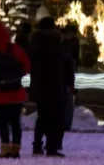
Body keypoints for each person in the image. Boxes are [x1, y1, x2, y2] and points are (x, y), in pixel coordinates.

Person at [0, 21, 30, 159]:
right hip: (16, 92)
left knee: (2, 123)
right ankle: (16, 148)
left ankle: (5, 148)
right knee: (15, 122)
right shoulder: (14, 49)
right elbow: (25, 66)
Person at [29, 17, 75, 157]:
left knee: (42, 116)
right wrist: (70, 84)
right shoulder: (59, 44)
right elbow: (67, 66)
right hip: (56, 86)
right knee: (55, 117)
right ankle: (51, 146)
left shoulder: (34, 44)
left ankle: (37, 145)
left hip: (39, 85)